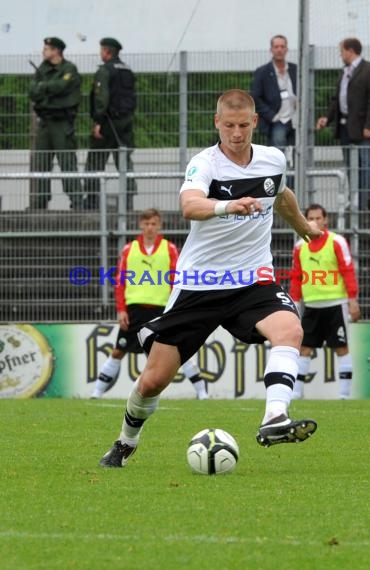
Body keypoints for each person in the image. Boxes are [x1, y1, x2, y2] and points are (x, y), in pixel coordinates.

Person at [99, 89, 322, 468]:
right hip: (199, 284)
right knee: (153, 380)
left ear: (255, 122)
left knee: (290, 331)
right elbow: (189, 205)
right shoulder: (206, 164)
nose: (236, 133)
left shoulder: (273, 158)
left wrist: (304, 228)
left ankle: (274, 418)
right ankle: (125, 441)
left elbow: (281, 194)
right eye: (229, 126)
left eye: (243, 125)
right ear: (217, 123)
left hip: (253, 279)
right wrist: (227, 206)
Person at [91, 208, 208, 400]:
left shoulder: (169, 248)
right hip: (135, 309)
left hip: (161, 309)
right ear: (140, 225)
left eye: (153, 224)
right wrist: (121, 309)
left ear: (159, 225)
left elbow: (176, 279)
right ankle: (96, 393)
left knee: (178, 351)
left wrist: (175, 308)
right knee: (118, 351)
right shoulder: (129, 249)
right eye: (146, 224)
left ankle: (202, 393)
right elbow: (120, 282)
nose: (150, 228)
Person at [289, 203, 361, 400]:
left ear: (325, 220)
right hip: (311, 306)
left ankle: (344, 396)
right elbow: (296, 277)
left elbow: (348, 271)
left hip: (335, 304)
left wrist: (353, 300)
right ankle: (296, 394)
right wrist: (294, 305)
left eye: (318, 218)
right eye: (310, 218)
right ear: (305, 220)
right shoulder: (299, 246)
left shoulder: (337, 241)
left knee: (341, 347)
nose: (314, 222)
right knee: (303, 349)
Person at [316, 37, 370, 211]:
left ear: (350, 51)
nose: (340, 55)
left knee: (369, 165)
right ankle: (357, 203)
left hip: (364, 128)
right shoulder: (344, 72)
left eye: (342, 51)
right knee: (352, 168)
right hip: (346, 127)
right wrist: (327, 118)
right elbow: (337, 100)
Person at [28, 37, 83, 209]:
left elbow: (62, 87)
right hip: (45, 122)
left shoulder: (69, 69)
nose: (43, 52)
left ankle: (77, 201)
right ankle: (40, 202)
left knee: (67, 162)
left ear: (56, 51)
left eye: (46, 49)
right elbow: (32, 92)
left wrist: (44, 87)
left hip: (62, 123)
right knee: (41, 162)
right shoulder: (42, 68)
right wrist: (49, 89)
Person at [83, 38, 137, 210]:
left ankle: (92, 201)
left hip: (108, 122)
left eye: (101, 50)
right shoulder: (127, 70)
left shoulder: (105, 71)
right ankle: (128, 200)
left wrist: (98, 122)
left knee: (95, 161)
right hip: (126, 122)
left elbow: (102, 98)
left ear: (107, 52)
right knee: (124, 161)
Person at [251, 35, 297, 157]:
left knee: (296, 154)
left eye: (282, 46)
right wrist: (272, 116)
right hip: (277, 119)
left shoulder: (295, 69)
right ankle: (279, 176)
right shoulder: (262, 72)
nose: (279, 49)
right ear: (271, 49)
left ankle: (295, 177)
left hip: (295, 119)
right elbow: (255, 97)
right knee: (277, 154)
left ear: (286, 49)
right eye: (276, 47)